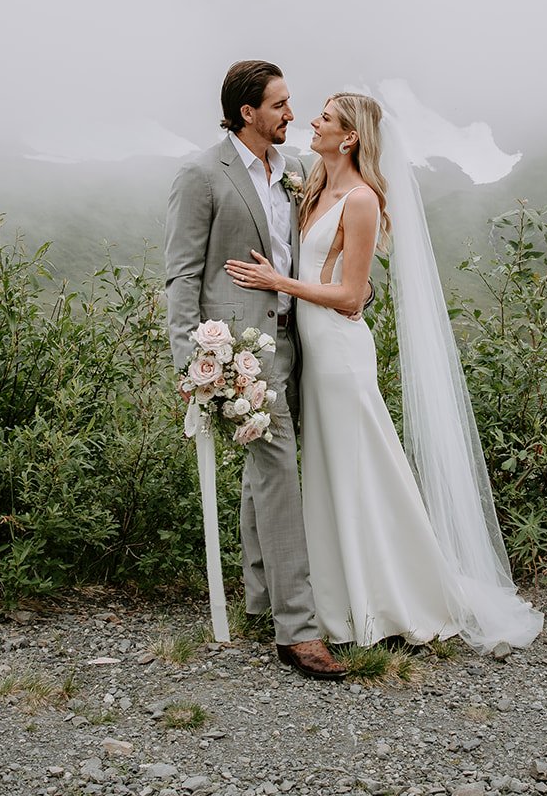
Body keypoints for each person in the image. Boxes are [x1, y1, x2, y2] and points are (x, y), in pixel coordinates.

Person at [226, 91, 543, 651]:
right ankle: (341, 597)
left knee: (361, 468)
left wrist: (280, 283)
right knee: (330, 471)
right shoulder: (314, 186)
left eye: (324, 117)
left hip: (341, 354)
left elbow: (351, 293)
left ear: (349, 137)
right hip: (313, 349)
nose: (311, 122)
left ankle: (395, 595)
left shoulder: (363, 200)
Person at [164, 60, 347, 680]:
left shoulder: (296, 171)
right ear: (248, 112)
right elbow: (183, 274)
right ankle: (297, 629)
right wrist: (192, 359)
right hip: (238, 348)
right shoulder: (200, 174)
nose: (292, 114)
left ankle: (259, 597)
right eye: (281, 105)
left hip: (301, 339)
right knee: (276, 469)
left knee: (260, 475)